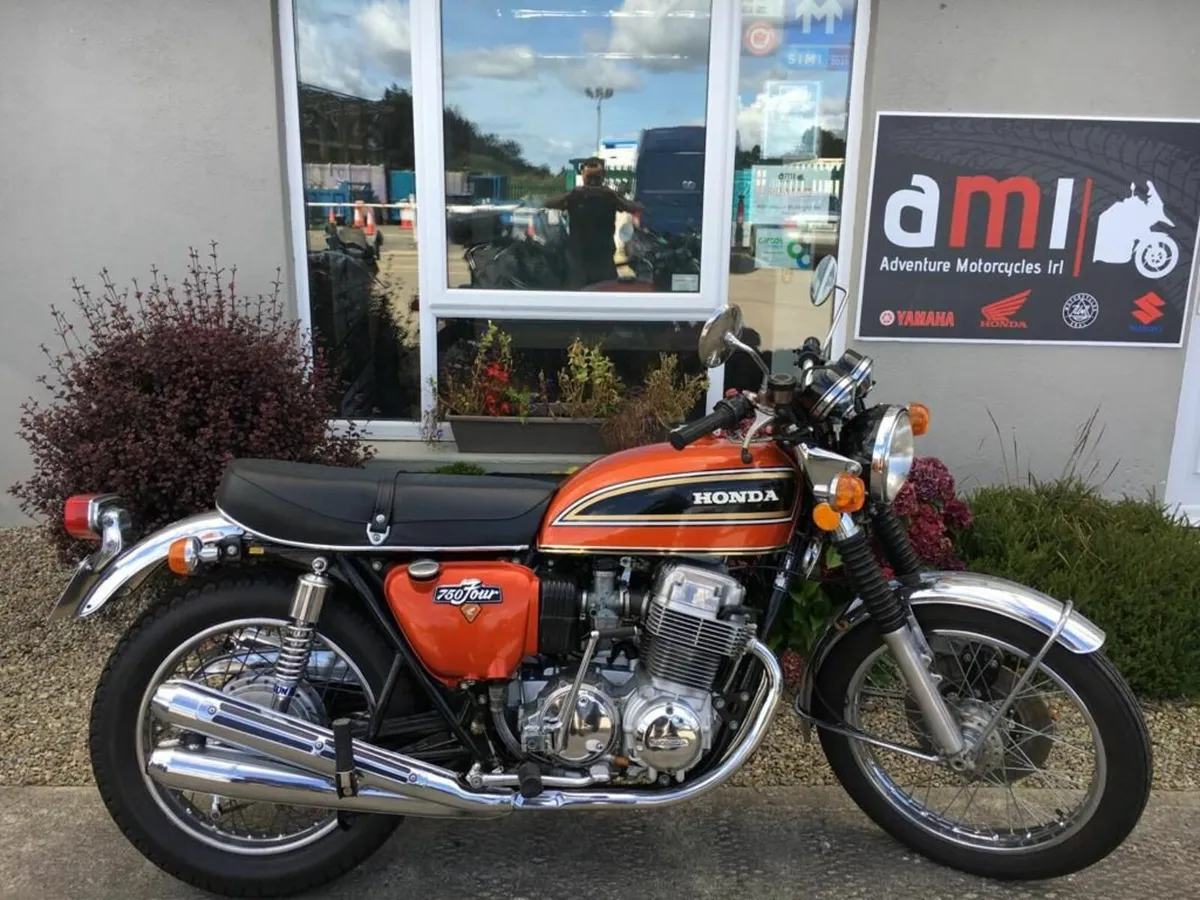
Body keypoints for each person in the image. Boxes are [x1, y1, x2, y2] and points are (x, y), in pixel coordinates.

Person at [544, 157, 645, 288]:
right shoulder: (575, 196)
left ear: (603, 177)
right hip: (578, 259)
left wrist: (614, 197)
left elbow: (635, 207)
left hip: (603, 258)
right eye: (589, 178)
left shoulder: (609, 196)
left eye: (596, 178)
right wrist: (570, 195)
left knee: (606, 294)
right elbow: (547, 204)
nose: (592, 182)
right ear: (582, 176)